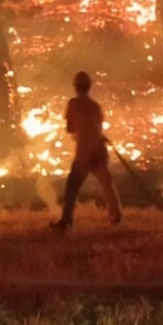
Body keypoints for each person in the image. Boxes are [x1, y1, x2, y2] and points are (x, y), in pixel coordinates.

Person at [51, 71, 123, 231]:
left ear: (76, 87)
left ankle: (66, 220)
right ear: (89, 87)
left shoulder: (73, 104)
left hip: (84, 153)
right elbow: (98, 126)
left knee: (72, 187)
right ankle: (116, 215)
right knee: (107, 184)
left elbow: (70, 128)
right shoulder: (95, 105)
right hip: (99, 149)